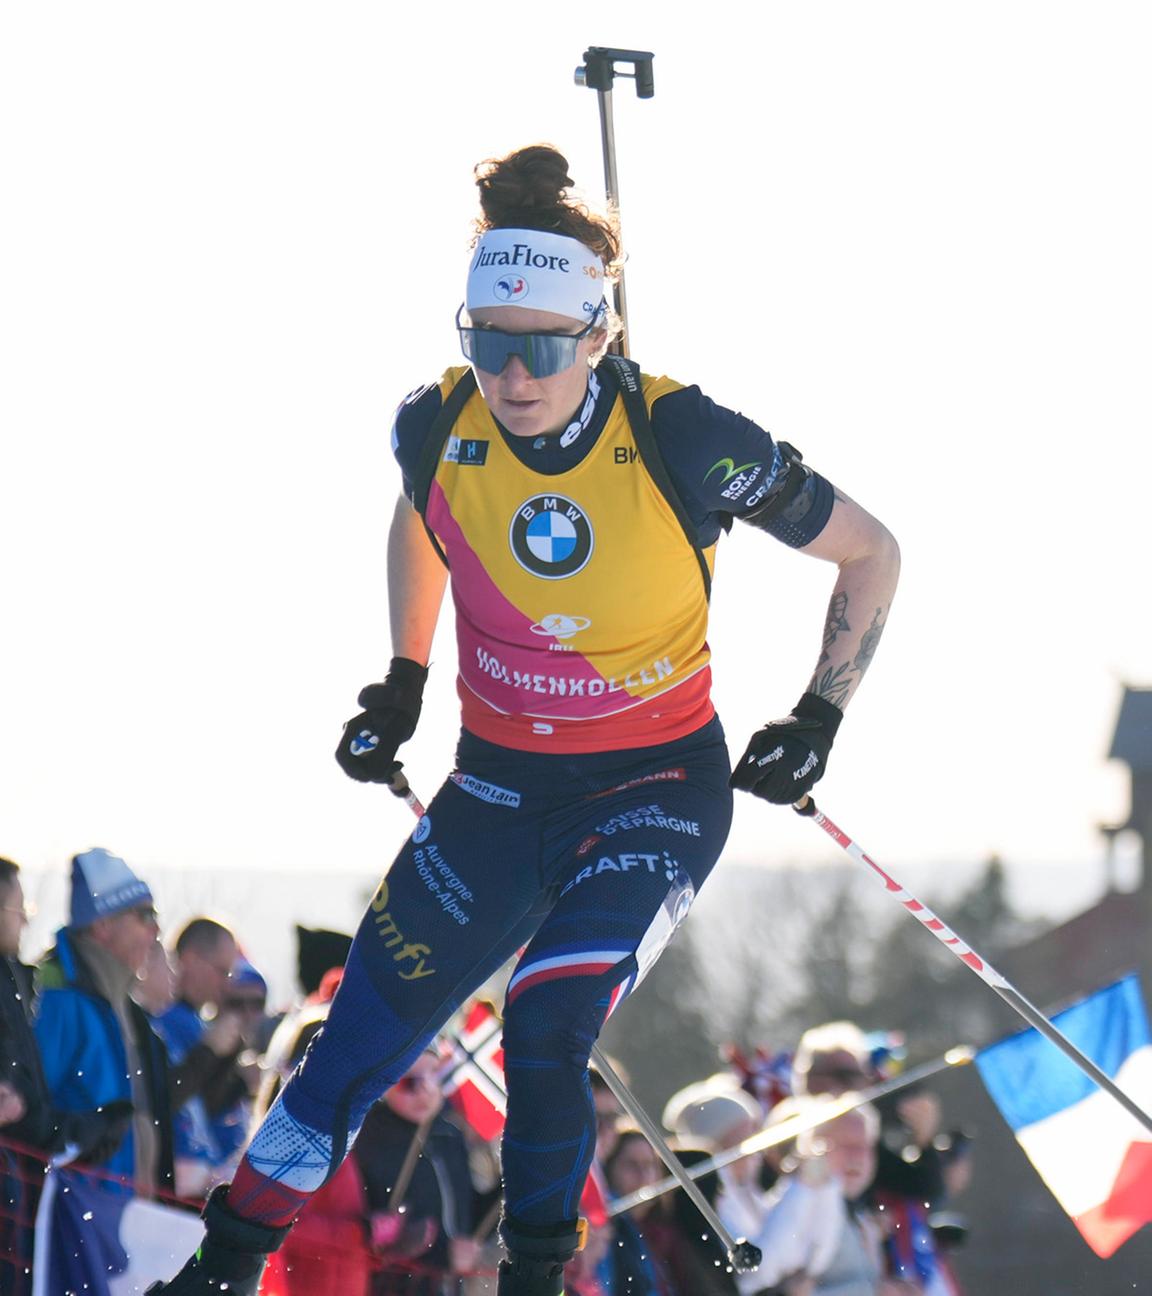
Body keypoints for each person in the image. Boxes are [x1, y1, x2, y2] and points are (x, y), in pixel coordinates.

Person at [148, 142, 899, 1296]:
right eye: (488, 341)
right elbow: (423, 515)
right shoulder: (434, 426)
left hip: (654, 790)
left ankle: (535, 1282)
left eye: (541, 345)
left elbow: (871, 551)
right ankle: (221, 1269)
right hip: (496, 794)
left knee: (546, 1022)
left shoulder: (684, 434)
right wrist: (403, 677)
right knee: (350, 1048)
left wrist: (818, 716)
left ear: (596, 334)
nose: (512, 373)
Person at [35, 848, 173, 1195]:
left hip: (119, 1216)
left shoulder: (125, 1008)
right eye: (144, 915)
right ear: (102, 925)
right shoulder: (55, 998)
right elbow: (29, 1117)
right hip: (73, 1215)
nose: (156, 929)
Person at [152, 918, 251, 1198]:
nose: (227, 984)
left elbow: (203, 1103)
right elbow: (163, 1098)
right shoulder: (162, 1020)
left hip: (200, 1178)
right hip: (170, 1181)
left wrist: (232, 1069)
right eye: (222, 971)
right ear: (191, 959)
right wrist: (208, 1050)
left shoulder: (196, 1022)